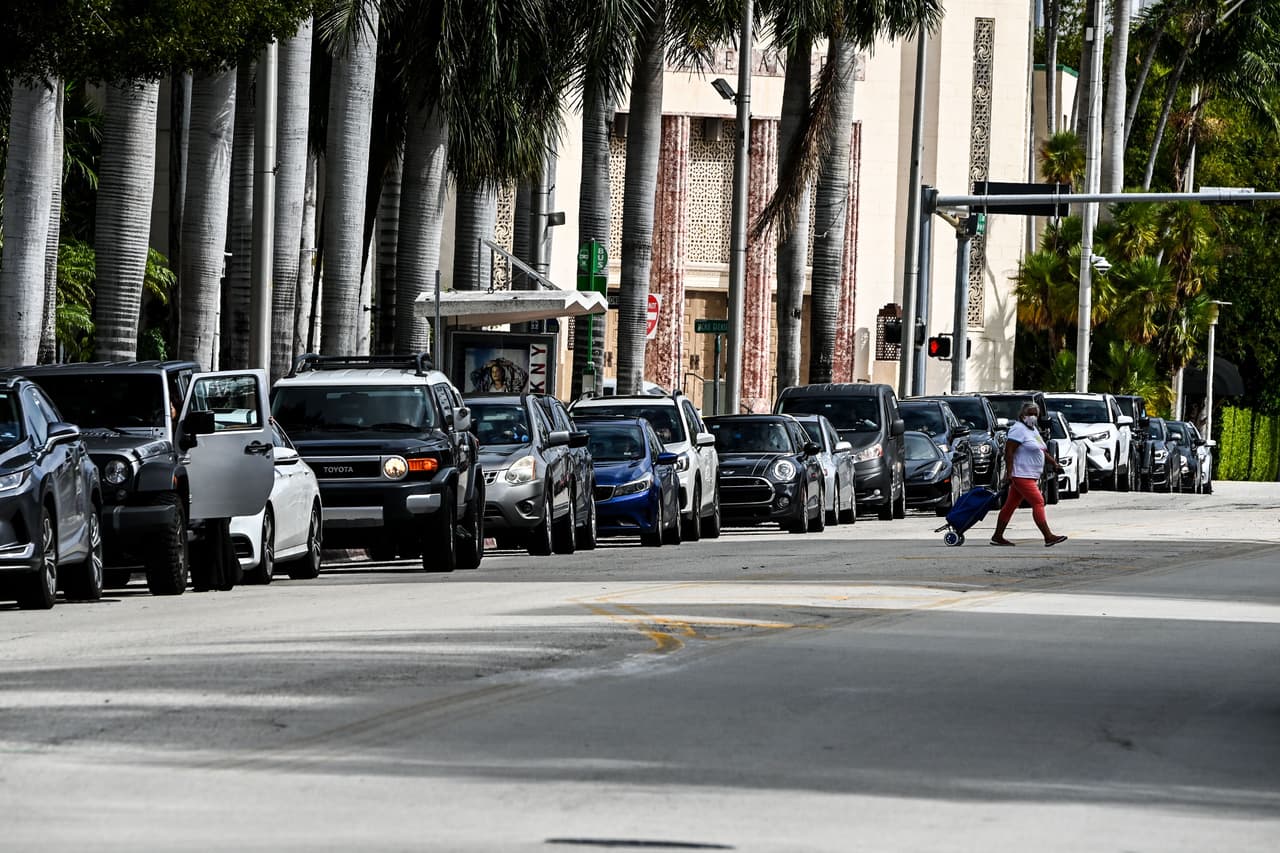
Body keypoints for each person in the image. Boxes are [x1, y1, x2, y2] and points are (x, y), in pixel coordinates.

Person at [991, 402, 1068, 547]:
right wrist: (1009, 472)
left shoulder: (1032, 430)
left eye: (1035, 414)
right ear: (1022, 415)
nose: (1033, 417)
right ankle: (1048, 536)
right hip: (1021, 474)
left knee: (1010, 505)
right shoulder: (1018, 430)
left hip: (1030, 475)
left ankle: (997, 536)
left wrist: (1054, 464)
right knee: (1038, 502)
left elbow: (1041, 450)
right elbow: (1009, 452)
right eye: (1030, 414)